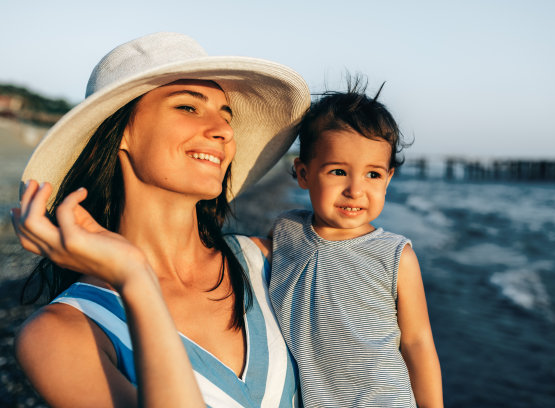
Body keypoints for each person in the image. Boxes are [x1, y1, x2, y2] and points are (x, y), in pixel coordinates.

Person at [11, 32, 310, 407]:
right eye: (188, 107)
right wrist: (133, 277)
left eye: (226, 113)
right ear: (121, 131)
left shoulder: (272, 264)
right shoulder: (61, 333)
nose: (223, 131)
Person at [266, 81, 444, 407]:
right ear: (303, 173)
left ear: (388, 179)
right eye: (338, 171)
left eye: (373, 175)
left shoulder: (394, 255)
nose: (355, 189)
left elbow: (418, 343)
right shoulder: (285, 232)